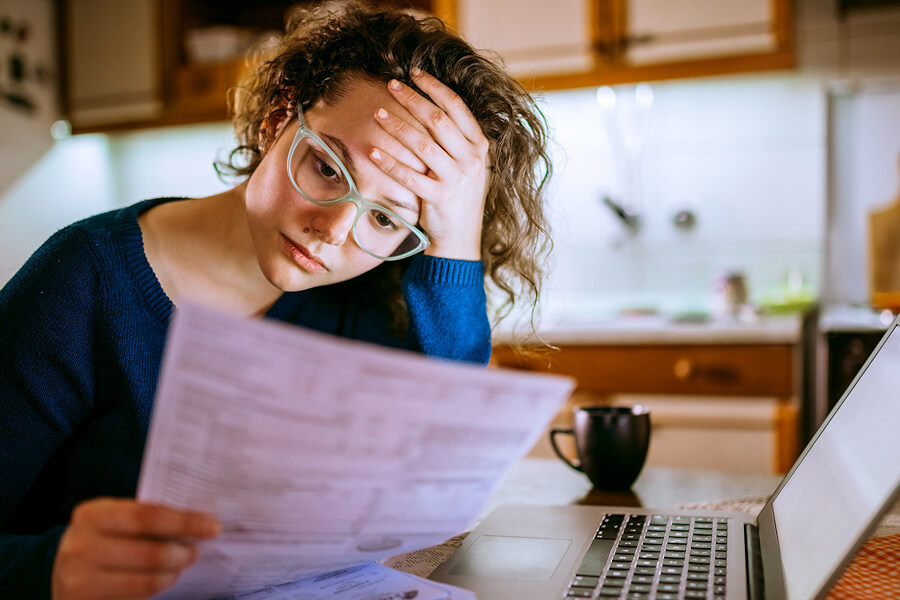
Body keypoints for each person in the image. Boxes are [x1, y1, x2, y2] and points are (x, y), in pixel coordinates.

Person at [0, 1, 552, 598]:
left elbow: (446, 466)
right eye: (326, 167)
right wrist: (52, 568)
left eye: (388, 219)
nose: (335, 231)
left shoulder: (368, 300)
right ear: (275, 118)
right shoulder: (83, 279)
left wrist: (456, 241)